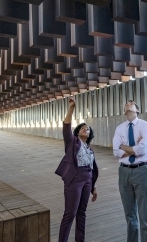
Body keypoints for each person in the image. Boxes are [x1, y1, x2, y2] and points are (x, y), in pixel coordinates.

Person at [55, 96, 98, 242]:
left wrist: (93, 186)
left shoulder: (89, 149)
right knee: (70, 214)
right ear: (78, 132)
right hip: (75, 179)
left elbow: (92, 169)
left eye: (88, 128)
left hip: (87, 180)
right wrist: (71, 108)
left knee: (82, 213)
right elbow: (66, 126)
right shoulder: (72, 142)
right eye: (83, 127)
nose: (86, 129)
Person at [112, 100, 147, 242]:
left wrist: (123, 146)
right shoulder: (119, 128)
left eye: (132, 103)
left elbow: (142, 149)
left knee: (145, 215)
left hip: (141, 171)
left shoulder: (145, 126)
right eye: (126, 103)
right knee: (130, 216)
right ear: (124, 111)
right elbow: (115, 151)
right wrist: (133, 149)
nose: (128, 103)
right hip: (123, 173)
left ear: (137, 110)